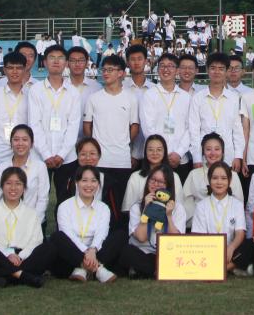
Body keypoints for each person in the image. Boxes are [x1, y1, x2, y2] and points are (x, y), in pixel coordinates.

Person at [83, 55, 140, 219]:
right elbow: (87, 126)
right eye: (104, 69)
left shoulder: (130, 98)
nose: (106, 73)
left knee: (121, 206)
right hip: (100, 161)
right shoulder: (94, 98)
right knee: (98, 206)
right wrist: (95, 149)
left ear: (121, 73)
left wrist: (124, 142)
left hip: (122, 160)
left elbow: (134, 126)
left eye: (110, 69)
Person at [0, 167, 50, 288]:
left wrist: (20, 256)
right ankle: (22, 276)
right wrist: (8, 255)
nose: (13, 188)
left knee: (48, 247)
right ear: (2, 186)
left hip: (23, 258)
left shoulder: (32, 213)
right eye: (8, 183)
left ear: (24, 188)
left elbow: (36, 241)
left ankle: (4, 277)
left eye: (18, 184)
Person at [27, 44, 82, 201]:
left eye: (60, 58)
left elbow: (73, 126)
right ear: (44, 62)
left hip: (67, 158)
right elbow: (34, 124)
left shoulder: (73, 92)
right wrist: (46, 154)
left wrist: (61, 154)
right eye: (51, 58)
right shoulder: (36, 90)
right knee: (36, 198)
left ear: (66, 63)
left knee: (66, 199)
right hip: (39, 156)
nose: (56, 61)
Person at [47, 165, 117, 283]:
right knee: (57, 237)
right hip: (72, 251)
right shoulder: (65, 206)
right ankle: (96, 268)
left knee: (120, 235)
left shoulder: (103, 208)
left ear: (98, 184)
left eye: (93, 181)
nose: (89, 185)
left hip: (96, 252)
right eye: (84, 180)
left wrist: (93, 250)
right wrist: (86, 252)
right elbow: (67, 234)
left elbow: (102, 233)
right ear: (76, 183)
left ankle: (85, 268)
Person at [122, 164, 187, 278]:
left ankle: (146, 271)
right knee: (126, 252)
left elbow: (176, 240)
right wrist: (146, 210)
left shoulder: (177, 208)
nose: (156, 184)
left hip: (165, 253)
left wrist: (169, 216)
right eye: (153, 180)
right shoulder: (137, 207)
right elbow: (141, 238)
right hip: (141, 251)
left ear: (168, 185)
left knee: (177, 256)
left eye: (161, 182)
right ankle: (157, 270)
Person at [191, 161, 250, 274]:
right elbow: (199, 237)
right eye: (215, 178)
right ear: (209, 180)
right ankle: (228, 268)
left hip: (230, 252)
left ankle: (220, 269)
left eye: (223, 178)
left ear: (229, 181)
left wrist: (231, 247)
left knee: (249, 245)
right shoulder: (201, 205)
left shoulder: (236, 204)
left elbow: (240, 233)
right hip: (208, 251)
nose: (219, 182)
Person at [191, 53, 245, 171]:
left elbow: (237, 129)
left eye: (221, 69)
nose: (217, 72)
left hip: (228, 157)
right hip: (204, 157)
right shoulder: (198, 98)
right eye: (213, 68)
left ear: (226, 71)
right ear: (207, 70)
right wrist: (196, 158)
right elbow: (194, 129)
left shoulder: (233, 98)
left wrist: (238, 156)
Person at [0, 51, 30, 168]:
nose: (14, 71)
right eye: (10, 68)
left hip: (24, 155)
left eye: (19, 68)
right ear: (4, 70)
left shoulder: (30, 96)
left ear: (24, 70)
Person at [182, 132, 245, 223]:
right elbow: (186, 202)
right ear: (203, 152)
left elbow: (238, 202)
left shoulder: (232, 175)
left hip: (226, 222)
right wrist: (197, 219)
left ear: (223, 152)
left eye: (217, 149)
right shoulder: (194, 174)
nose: (213, 153)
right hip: (199, 221)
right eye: (208, 149)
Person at [123, 135, 186, 211]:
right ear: (145, 152)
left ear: (165, 152)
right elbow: (128, 208)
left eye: (159, 150)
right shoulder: (135, 177)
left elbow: (180, 207)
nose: (155, 153)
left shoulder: (174, 176)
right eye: (150, 150)